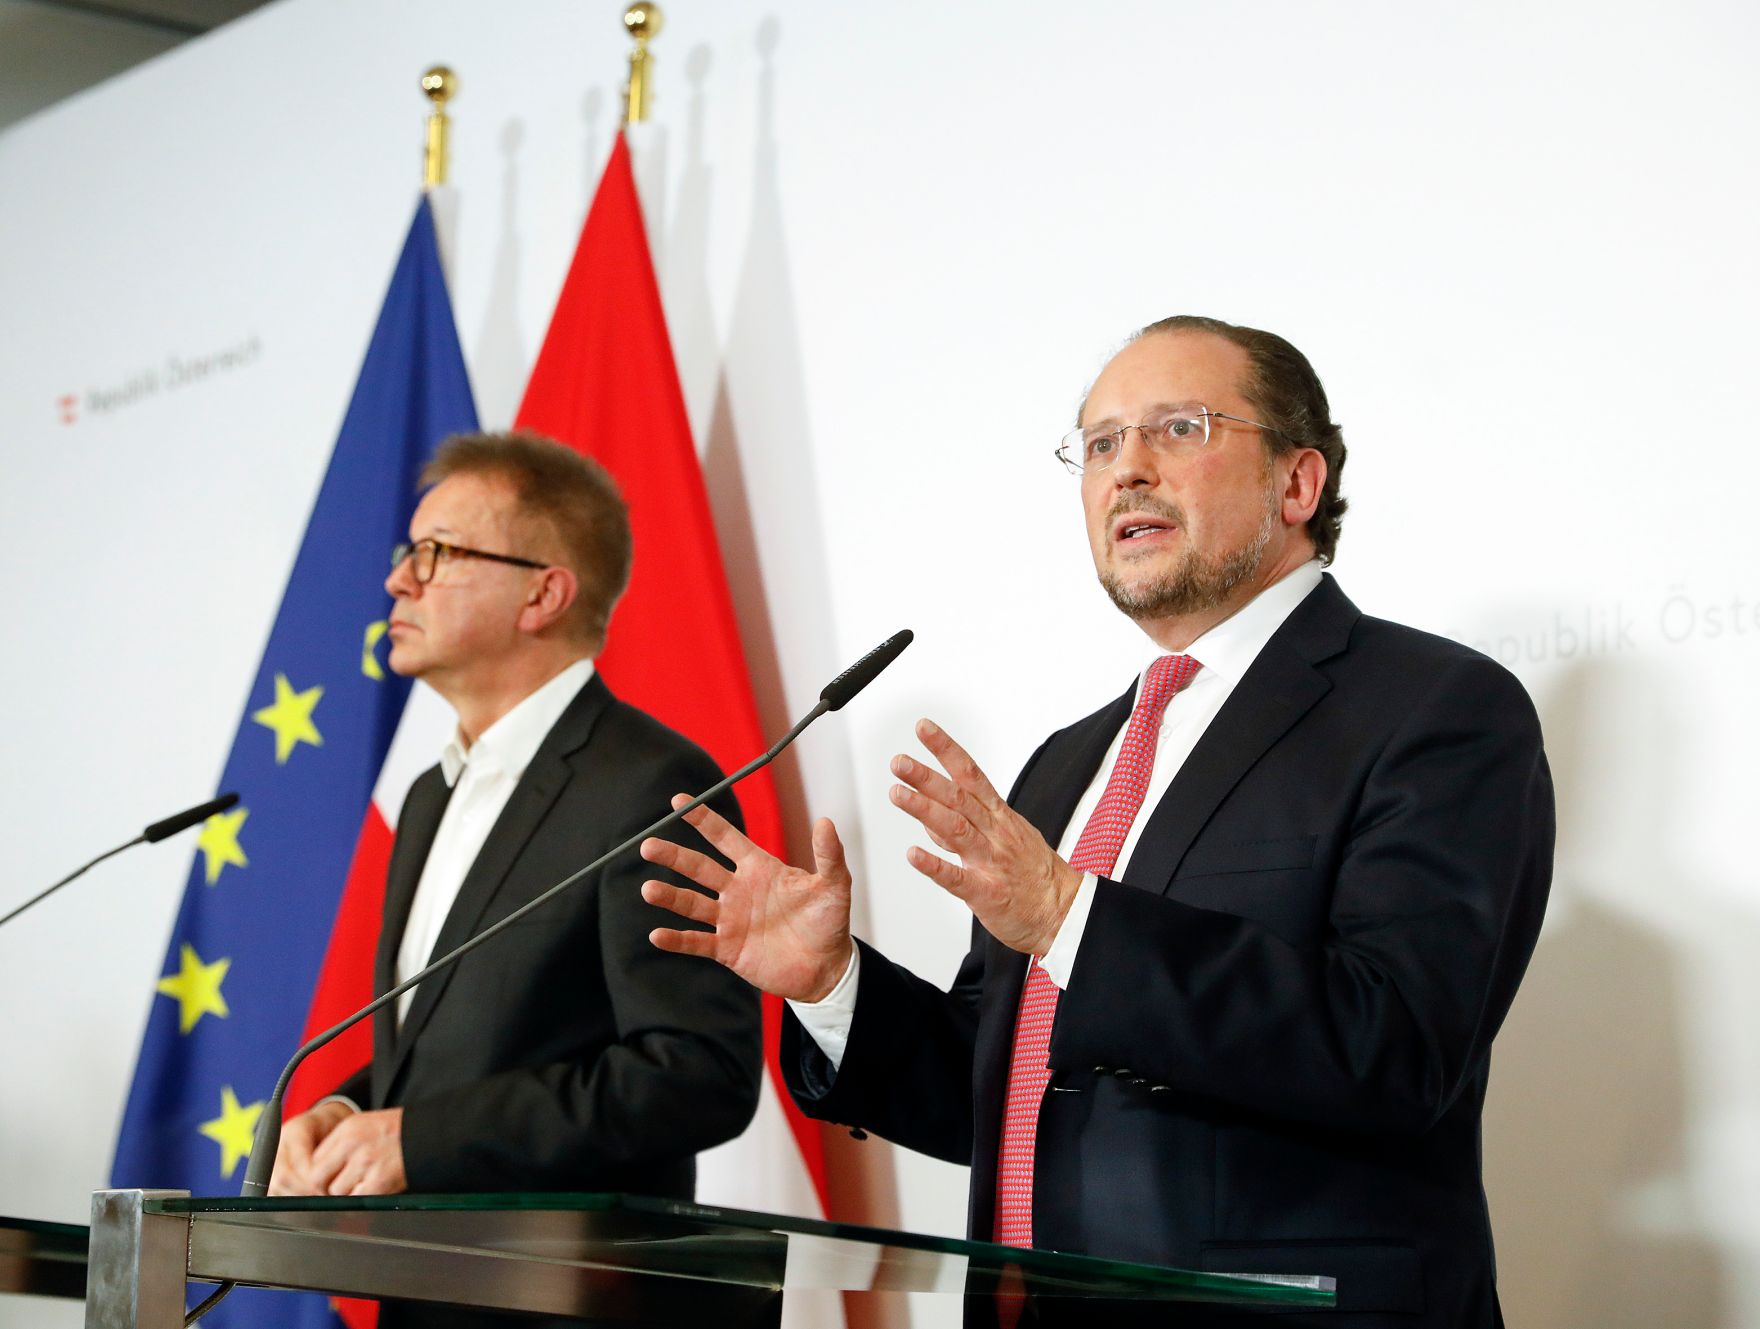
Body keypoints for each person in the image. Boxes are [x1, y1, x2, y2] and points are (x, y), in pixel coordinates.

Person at [639, 316, 1554, 1327]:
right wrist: (834, 985)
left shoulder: (1433, 710)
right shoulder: (1071, 759)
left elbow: (1394, 1048)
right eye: (1101, 443)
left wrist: (1071, 914)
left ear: (1298, 484)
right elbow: (1003, 1088)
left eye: (1178, 428)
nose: (1126, 471)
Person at [270, 432, 763, 1325]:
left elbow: (695, 1070)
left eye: (438, 553)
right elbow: (452, 1050)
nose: (398, 581)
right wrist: (347, 1112)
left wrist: (418, 1140)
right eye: (404, 554)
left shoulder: (652, 783)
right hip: (427, 1294)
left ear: (544, 590)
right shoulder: (428, 797)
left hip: (570, 1300)